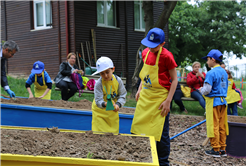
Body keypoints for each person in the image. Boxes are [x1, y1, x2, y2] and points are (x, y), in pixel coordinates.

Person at [131, 28, 178, 166]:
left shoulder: (167, 56)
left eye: (154, 46)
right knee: (138, 126)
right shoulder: (145, 53)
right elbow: (145, 75)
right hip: (146, 95)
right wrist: (140, 89)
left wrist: (168, 101)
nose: (151, 48)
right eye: (149, 45)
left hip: (160, 98)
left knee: (161, 133)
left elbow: (174, 80)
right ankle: (142, 157)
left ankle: (163, 162)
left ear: (162, 44)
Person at [200, 49, 229, 157]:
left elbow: (207, 89)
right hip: (223, 101)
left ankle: (215, 149)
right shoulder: (224, 72)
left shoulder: (211, 72)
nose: (207, 62)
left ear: (213, 59)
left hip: (213, 102)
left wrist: (201, 90)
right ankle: (222, 148)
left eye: (207, 59)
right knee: (222, 125)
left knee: (213, 125)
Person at [91, 56, 127, 133]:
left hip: (112, 112)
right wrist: (105, 104)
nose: (105, 76)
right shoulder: (98, 84)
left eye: (107, 72)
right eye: (102, 73)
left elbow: (122, 95)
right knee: (99, 134)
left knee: (113, 134)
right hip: (100, 112)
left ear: (113, 69)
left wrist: (118, 104)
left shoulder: (118, 81)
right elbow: (98, 100)